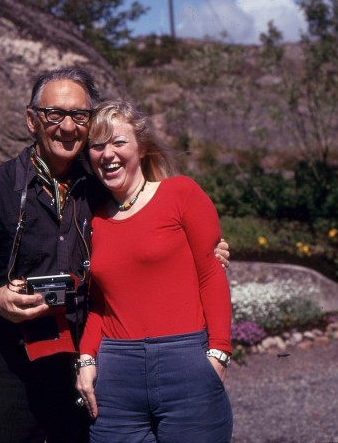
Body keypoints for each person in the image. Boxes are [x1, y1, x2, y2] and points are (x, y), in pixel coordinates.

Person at [0, 68, 231, 443]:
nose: (68, 126)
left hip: (84, 362)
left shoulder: (98, 186)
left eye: (79, 115)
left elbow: (142, 230)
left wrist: (203, 251)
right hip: (12, 364)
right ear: (31, 120)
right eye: (54, 114)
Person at [75, 100, 233, 443]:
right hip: (115, 375)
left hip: (186, 364)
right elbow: (100, 305)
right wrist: (86, 360)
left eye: (119, 142)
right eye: (97, 146)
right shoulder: (94, 220)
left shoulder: (181, 194)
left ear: (142, 148)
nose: (108, 154)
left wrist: (219, 353)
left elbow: (211, 275)